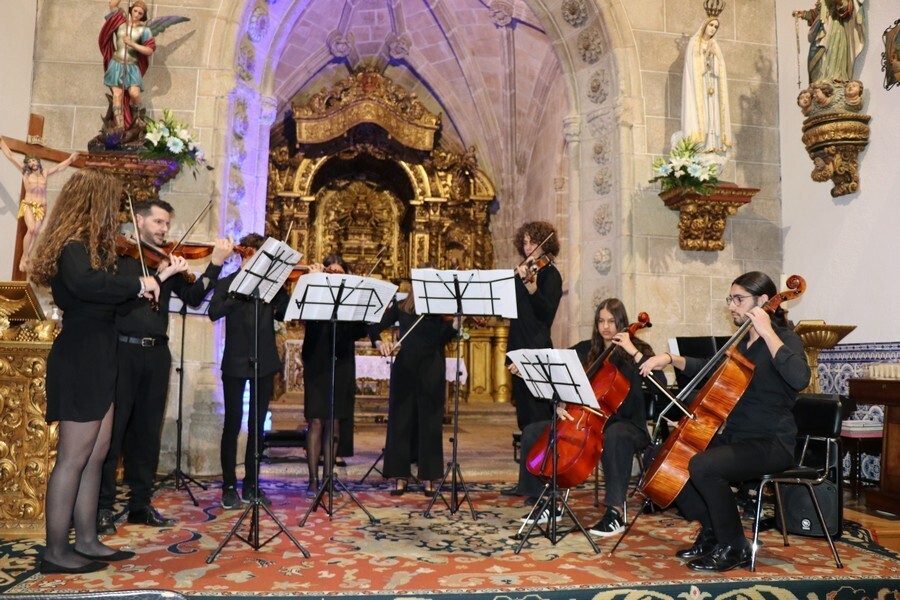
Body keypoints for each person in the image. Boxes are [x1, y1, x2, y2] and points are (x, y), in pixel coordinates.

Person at [29, 168, 176, 574]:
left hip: (101, 353)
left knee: (97, 454)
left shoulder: (92, 249)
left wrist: (153, 280)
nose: (116, 214)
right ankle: (55, 551)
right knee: (72, 457)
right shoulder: (71, 247)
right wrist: (137, 285)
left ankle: (87, 539)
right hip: (80, 356)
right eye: (111, 205)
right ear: (92, 204)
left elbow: (114, 297)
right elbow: (89, 286)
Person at [639, 271, 810, 572]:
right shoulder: (741, 345)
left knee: (703, 466)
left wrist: (767, 332)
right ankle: (712, 531)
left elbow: (800, 378)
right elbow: (708, 367)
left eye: (739, 299)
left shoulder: (785, 339)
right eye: (730, 299)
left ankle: (734, 546)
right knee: (662, 455)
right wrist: (669, 358)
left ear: (763, 301)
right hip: (737, 438)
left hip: (771, 442)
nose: (732, 306)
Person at [97, 199, 233, 534]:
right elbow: (121, 300)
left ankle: (140, 505)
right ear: (138, 220)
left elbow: (194, 297)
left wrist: (215, 264)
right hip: (123, 351)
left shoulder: (165, 259)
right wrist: (162, 274)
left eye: (167, 224)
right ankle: (102, 508)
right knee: (114, 432)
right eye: (158, 222)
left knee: (148, 433)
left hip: (157, 354)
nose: (164, 229)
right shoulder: (120, 257)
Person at [514, 299, 662, 536]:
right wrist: (555, 396)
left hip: (626, 424)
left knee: (615, 436)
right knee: (534, 431)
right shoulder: (586, 349)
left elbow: (659, 385)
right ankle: (548, 503)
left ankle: (615, 513)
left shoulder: (639, 350)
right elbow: (556, 372)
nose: (606, 327)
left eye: (612, 321)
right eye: (601, 321)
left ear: (622, 323)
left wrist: (633, 352)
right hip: (586, 421)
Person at [209, 233, 289, 509]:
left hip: (264, 360)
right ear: (244, 255)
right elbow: (214, 312)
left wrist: (283, 287)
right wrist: (239, 293)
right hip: (234, 360)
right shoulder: (227, 283)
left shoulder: (271, 287)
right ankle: (229, 486)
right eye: (253, 254)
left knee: (257, 426)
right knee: (232, 424)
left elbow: (285, 313)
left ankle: (252, 485)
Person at [369, 272, 458, 496]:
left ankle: (428, 477)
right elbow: (373, 326)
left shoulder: (439, 312)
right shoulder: (401, 307)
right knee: (401, 421)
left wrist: (457, 323)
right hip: (405, 368)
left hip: (432, 368)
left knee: (430, 423)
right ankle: (400, 476)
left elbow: (443, 338)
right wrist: (379, 342)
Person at [301, 254, 369, 496]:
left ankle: (329, 479)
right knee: (316, 421)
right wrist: (313, 282)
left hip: (342, 362)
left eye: (340, 272)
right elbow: (302, 315)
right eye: (331, 271)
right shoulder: (314, 292)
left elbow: (360, 331)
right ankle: (312, 480)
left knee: (334, 422)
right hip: (316, 361)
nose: (336, 276)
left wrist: (363, 307)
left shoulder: (352, 297)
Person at [0, 138, 79, 273]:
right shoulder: (25, 173)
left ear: (38, 162)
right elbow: (11, 157)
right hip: (29, 205)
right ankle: (25, 256)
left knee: (36, 232)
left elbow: (59, 167)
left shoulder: (45, 173)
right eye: (30, 161)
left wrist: (70, 159)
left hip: (42, 207)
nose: (32, 163)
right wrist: (2, 143)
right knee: (31, 229)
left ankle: (27, 256)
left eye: (34, 160)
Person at [680, 17, 732, 157]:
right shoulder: (694, 43)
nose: (713, 29)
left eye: (715, 27)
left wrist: (714, 58)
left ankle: (712, 144)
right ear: (704, 26)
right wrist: (706, 56)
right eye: (711, 25)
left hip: (712, 87)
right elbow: (693, 67)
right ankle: (701, 145)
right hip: (699, 88)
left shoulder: (714, 44)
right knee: (702, 115)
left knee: (712, 116)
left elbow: (720, 68)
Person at [100, 0, 156, 130]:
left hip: (132, 66)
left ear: (143, 15)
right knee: (117, 94)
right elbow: (112, 5)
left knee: (135, 93)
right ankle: (119, 125)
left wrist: (132, 44)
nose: (136, 14)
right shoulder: (120, 23)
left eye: (140, 13)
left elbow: (149, 50)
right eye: (135, 11)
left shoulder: (144, 30)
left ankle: (136, 117)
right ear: (131, 10)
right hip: (116, 63)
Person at [794, 0, 866, 84]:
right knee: (814, 57)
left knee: (831, 58)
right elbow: (818, 13)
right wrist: (804, 14)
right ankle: (817, 84)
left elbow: (846, 8)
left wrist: (836, 2)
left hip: (835, 30)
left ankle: (831, 83)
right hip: (821, 30)